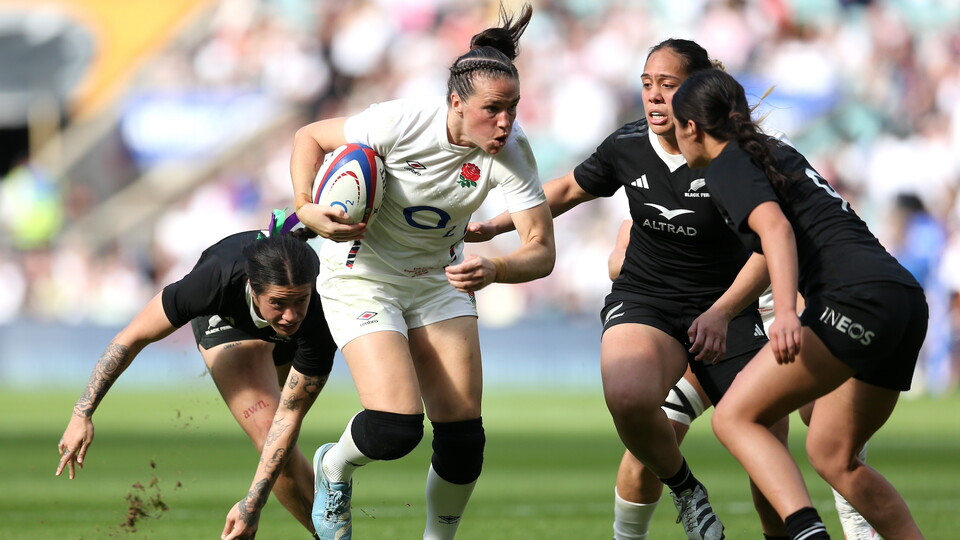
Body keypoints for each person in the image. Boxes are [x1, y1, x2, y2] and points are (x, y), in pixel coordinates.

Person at [226, 4, 554, 540]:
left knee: (464, 441)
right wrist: (305, 206)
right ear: (455, 102)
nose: (506, 123)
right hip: (361, 273)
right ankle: (335, 466)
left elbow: (541, 250)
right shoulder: (399, 121)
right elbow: (310, 136)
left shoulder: (513, 152)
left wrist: (494, 269)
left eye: (513, 109)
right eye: (494, 109)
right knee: (395, 427)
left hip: (438, 280)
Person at [469, 38, 783, 540]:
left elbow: (774, 246)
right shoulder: (629, 144)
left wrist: (724, 312)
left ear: (697, 91)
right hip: (647, 297)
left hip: (728, 309)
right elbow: (569, 188)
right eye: (647, 85)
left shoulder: (736, 157)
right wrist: (498, 225)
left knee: (766, 448)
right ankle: (686, 491)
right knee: (628, 396)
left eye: (668, 85)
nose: (655, 96)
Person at [672, 68, 928, 540]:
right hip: (903, 300)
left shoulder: (727, 165)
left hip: (854, 300)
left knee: (734, 418)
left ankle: (806, 533)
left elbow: (776, 231)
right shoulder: (774, 153)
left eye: (674, 127)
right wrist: (725, 310)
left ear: (691, 127)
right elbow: (773, 243)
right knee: (834, 455)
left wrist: (786, 312)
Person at [57, 210, 337, 538]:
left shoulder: (322, 306)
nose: (290, 315)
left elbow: (289, 417)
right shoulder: (215, 279)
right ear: (253, 289)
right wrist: (82, 414)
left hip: (299, 339)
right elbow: (131, 337)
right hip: (231, 329)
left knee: (281, 433)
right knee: (271, 442)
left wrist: (251, 504)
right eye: (278, 303)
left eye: (298, 301)